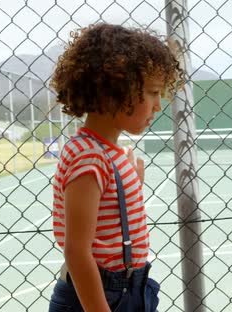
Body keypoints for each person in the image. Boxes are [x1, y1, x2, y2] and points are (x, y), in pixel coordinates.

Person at [48, 23, 183, 311]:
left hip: (130, 289)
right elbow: (77, 252)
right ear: (113, 90)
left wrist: (129, 184)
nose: (158, 105)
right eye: (152, 92)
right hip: (102, 297)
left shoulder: (106, 152)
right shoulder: (89, 158)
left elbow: (107, 217)